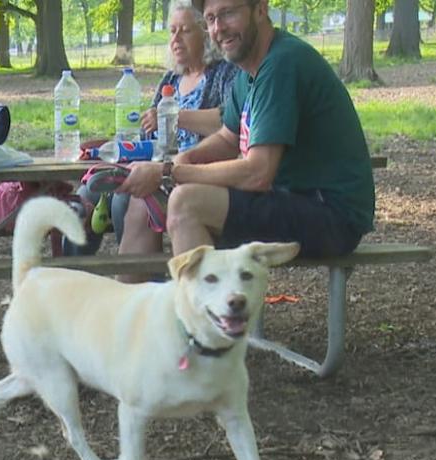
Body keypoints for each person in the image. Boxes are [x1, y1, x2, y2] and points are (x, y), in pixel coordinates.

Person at [115, 0, 375, 274]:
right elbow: (228, 138)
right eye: (211, 18)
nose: (219, 28)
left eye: (228, 13)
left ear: (260, 9)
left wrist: (169, 172)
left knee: (186, 203)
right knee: (146, 198)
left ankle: (208, 314)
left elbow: (257, 173)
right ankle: (132, 313)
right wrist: (190, 157)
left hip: (332, 214)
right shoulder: (248, 71)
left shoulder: (282, 63)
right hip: (294, 200)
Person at [79, 0, 239, 247]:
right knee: (87, 194)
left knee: (125, 200)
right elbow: (148, 137)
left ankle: (143, 279)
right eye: (172, 31)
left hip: (191, 173)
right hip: (154, 165)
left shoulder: (225, 74)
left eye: (185, 30)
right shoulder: (171, 78)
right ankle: (72, 274)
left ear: (206, 34)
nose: (176, 38)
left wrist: (174, 117)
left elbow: (229, 120)